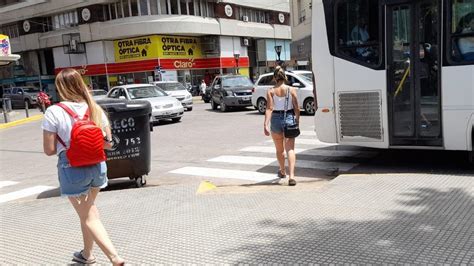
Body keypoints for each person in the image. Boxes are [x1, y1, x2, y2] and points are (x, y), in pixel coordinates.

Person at [41, 69, 125, 265]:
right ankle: (87, 254)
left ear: (60, 88)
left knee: (89, 216)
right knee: (86, 214)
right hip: (98, 166)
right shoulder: (94, 108)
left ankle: (115, 257)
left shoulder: (54, 111)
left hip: (72, 169)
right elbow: (109, 142)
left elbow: (49, 150)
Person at [263, 66, 300, 186]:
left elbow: (269, 108)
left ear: (274, 78)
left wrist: (265, 124)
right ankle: (292, 177)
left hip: (275, 120)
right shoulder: (291, 90)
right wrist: (297, 121)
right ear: (285, 77)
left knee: (279, 150)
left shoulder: (271, 91)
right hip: (289, 118)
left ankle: (282, 171)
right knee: (290, 149)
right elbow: (297, 108)